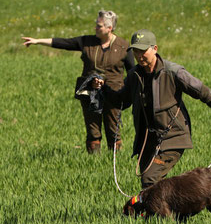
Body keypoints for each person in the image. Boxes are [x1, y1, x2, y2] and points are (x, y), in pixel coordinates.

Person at [95, 29, 211, 189]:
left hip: (172, 135)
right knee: (150, 184)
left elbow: (204, 93)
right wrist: (103, 88)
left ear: (155, 49)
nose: (139, 56)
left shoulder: (173, 72)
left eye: (143, 51)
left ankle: (160, 212)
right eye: (136, 51)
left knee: (150, 179)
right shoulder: (134, 75)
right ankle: (168, 212)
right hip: (147, 140)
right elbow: (122, 101)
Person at [22, 10, 135, 154]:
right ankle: (94, 161)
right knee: (93, 131)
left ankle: (114, 161)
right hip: (89, 93)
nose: (95, 28)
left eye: (99, 26)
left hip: (114, 94)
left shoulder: (124, 46)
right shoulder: (87, 41)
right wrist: (38, 41)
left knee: (113, 130)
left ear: (109, 28)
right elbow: (64, 42)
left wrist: (128, 93)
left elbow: (132, 73)